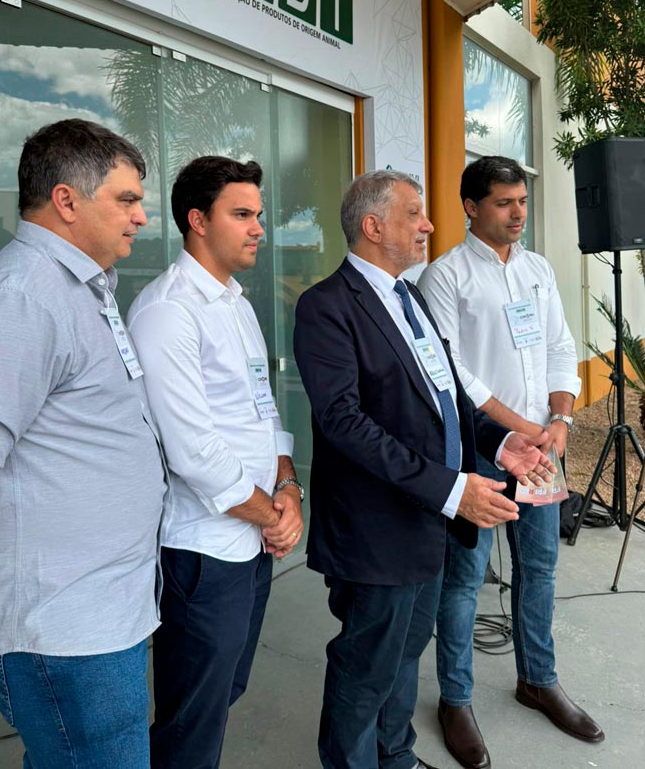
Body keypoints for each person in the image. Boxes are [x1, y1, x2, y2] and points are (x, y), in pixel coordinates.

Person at [293, 170, 553, 769]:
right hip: (375, 531)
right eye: (414, 214)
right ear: (373, 226)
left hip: (425, 523)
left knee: (406, 653)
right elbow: (344, 423)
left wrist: (501, 441)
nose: (429, 226)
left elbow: (447, 398)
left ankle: (397, 756)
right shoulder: (327, 306)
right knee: (366, 667)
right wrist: (451, 490)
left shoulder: (408, 298)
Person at [0, 118, 166, 768]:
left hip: (97, 609)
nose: (141, 217)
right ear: (67, 200)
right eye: (126, 200)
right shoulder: (20, 298)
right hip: (61, 624)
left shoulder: (79, 288)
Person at [418, 156, 603, 769]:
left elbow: (559, 346)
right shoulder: (445, 277)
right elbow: (451, 373)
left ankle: (538, 680)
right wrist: (518, 429)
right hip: (481, 449)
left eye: (521, 200)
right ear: (472, 207)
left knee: (540, 566)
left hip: (542, 448)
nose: (518, 212)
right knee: (465, 579)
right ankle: (456, 699)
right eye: (504, 202)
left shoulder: (538, 269)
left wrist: (560, 420)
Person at [128, 156, 303, 769]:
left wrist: (289, 488)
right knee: (190, 719)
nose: (259, 228)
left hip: (251, 541)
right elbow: (192, 452)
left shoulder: (236, 303)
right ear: (197, 220)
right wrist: (272, 516)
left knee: (223, 693)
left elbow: (264, 412)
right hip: (203, 552)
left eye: (259, 215)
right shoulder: (166, 311)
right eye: (243, 214)